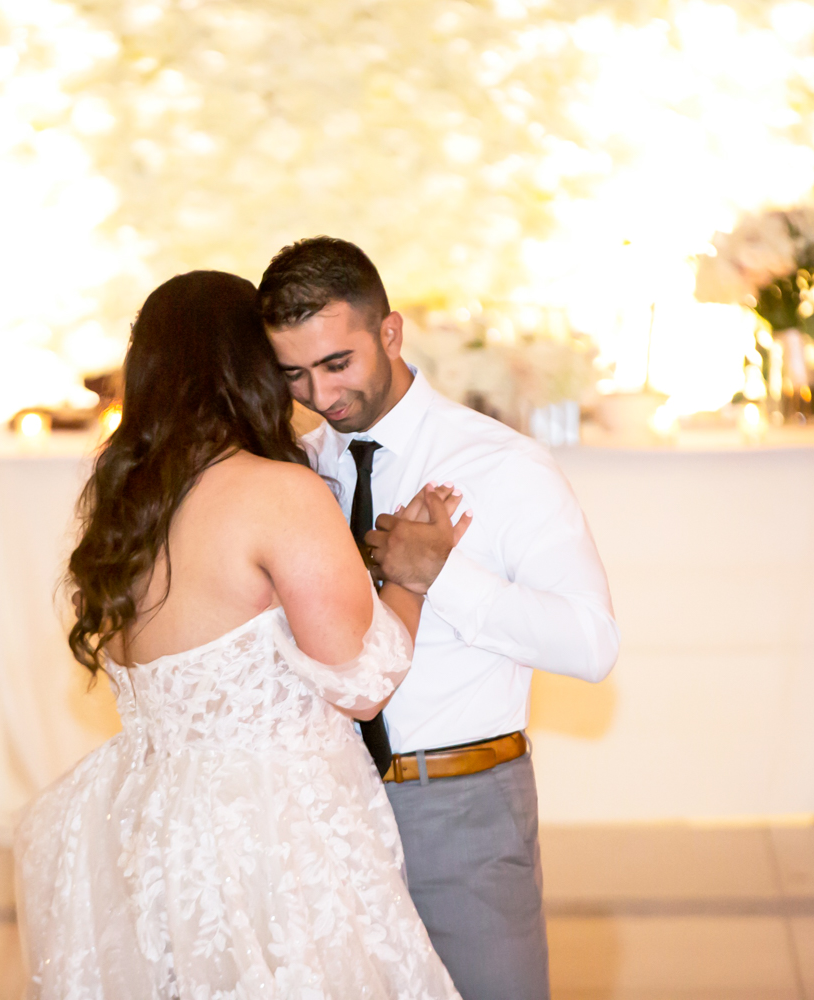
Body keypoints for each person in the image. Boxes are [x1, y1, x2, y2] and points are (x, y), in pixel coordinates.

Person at [13, 270, 468, 999]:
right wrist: (409, 580)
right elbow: (362, 681)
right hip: (271, 835)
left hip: (151, 826)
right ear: (252, 368)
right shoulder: (276, 491)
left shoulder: (123, 494)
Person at [260, 238, 621, 1000]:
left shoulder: (502, 465)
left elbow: (591, 645)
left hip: (460, 809)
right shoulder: (293, 473)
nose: (320, 395)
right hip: (325, 811)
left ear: (390, 334)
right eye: (293, 373)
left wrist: (441, 576)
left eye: (337, 363)